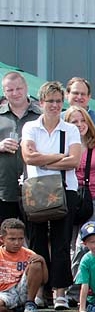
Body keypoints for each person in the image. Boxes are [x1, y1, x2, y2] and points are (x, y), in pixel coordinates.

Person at [21, 80, 81, 311]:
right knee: (36, 241)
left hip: (65, 190)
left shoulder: (71, 129)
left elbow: (74, 161)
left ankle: (60, 292)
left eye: (58, 101)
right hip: (36, 189)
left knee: (61, 242)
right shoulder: (30, 128)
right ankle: (37, 292)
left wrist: (43, 157)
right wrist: (58, 157)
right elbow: (28, 157)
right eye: (50, 101)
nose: (55, 105)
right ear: (42, 102)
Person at [0, 72, 43, 223]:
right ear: (4, 92)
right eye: (10, 90)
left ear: (26, 88)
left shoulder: (41, 116)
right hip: (4, 189)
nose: (15, 93)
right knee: (4, 240)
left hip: (36, 189)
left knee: (36, 240)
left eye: (19, 88)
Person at [66, 105, 95, 231]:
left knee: (90, 237)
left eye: (83, 120)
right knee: (69, 241)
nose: (80, 124)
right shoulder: (63, 143)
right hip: (70, 197)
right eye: (74, 122)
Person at [0, 218, 47, 312]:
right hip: (4, 293)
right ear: (2, 239)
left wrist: (42, 261)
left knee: (36, 262)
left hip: (23, 290)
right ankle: (15, 310)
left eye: (20, 239)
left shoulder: (28, 254)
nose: (17, 243)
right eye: (12, 239)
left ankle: (30, 303)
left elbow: (44, 280)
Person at [65, 77, 95, 141]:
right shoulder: (59, 118)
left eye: (83, 94)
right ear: (67, 95)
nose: (79, 97)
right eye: (75, 93)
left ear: (89, 97)